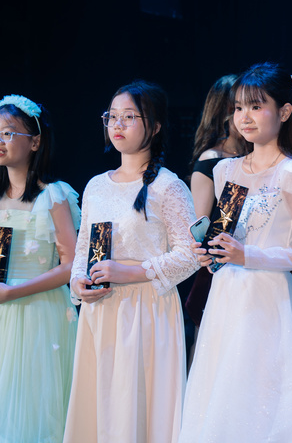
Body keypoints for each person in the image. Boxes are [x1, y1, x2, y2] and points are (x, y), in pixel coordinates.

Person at [179, 62, 292, 442]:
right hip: (225, 297)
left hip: (268, 301)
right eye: (238, 108)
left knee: (265, 402)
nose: (244, 117)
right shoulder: (225, 170)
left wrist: (251, 256)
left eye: (256, 106)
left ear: (284, 111)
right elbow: (228, 236)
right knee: (221, 401)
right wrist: (212, 255)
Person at [63, 81, 199, 443]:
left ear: (154, 126)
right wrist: (78, 282)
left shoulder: (168, 186)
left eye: (129, 116)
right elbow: (83, 248)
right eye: (112, 116)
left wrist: (131, 272)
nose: (117, 124)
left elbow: (190, 255)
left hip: (147, 310)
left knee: (138, 407)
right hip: (100, 310)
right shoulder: (96, 185)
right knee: (101, 408)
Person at [0, 95, 80, 442]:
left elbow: (71, 265)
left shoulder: (54, 195)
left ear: (34, 142)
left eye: (7, 133)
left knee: (34, 407)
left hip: (37, 311)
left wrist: (13, 292)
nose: (0, 141)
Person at [185, 74, 243, 340]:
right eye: (240, 107)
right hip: (219, 268)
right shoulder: (211, 160)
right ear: (226, 112)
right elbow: (199, 225)